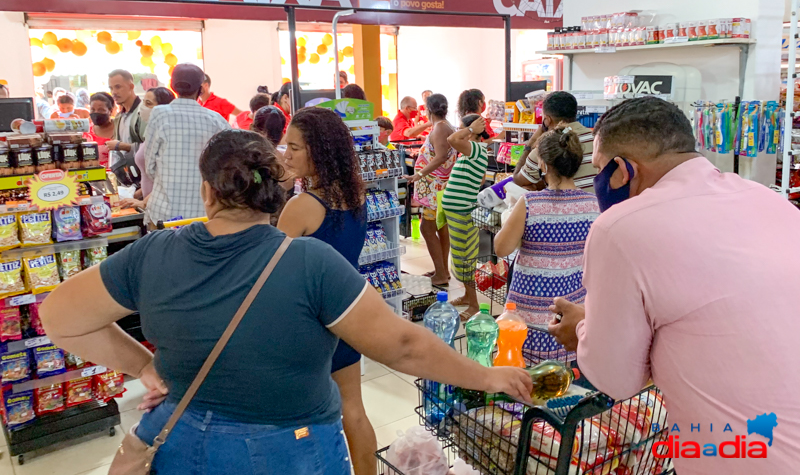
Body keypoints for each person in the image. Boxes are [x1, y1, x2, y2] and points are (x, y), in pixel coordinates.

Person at [39, 130, 531, 475]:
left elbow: (59, 318)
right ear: (277, 194)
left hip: (180, 438)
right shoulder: (308, 263)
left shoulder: (155, 250)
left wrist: (146, 368)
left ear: (208, 191)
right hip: (291, 450)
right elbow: (402, 345)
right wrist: (487, 376)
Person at [548, 97, 800, 475]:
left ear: (623, 170)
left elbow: (616, 379)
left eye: (600, 169)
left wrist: (583, 328)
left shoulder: (621, 227)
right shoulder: (772, 201)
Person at [276, 107, 374, 475]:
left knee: (303, 419)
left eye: (295, 148)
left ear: (318, 150)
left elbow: (273, 270)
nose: (286, 155)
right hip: (348, 313)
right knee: (353, 408)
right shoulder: (355, 197)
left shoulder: (302, 206)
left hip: (308, 323)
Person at [495, 126, 599, 360]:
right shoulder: (594, 205)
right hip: (571, 311)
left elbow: (501, 248)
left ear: (543, 164)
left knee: (524, 375)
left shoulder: (530, 203)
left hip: (528, 312)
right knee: (564, 378)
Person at [145, 64, 229, 226]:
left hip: (164, 212)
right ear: (201, 89)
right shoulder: (217, 120)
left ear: (172, 86)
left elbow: (150, 167)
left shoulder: (159, 114)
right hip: (204, 214)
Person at [441, 114, 490, 319]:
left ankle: (474, 305)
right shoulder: (471, 152)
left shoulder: (476, 149)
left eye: (462, 129)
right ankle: (467, 297)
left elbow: (452, 139)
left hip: (462, 214)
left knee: (465, 260)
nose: (458, 133)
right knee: (460, 258)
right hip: (456, 213)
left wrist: (471, 129)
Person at [405, 94, 456, 286]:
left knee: (427, 228)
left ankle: (441, 273)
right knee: (441, 228)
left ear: (428, 110)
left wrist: (419, 173)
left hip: (435, 189)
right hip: (438, 188)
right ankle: (442, 270)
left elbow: (441, 156)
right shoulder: (444, 126)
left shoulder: (441, 128)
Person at [513, 91, 596, 192]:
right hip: (600, 205)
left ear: (547, 120)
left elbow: (518, 180)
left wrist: (530, 144)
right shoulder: (597, 139)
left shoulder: (544, 148)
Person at [122, 87, 176, 211]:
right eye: (143, 102)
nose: (143, 107)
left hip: (161, 205)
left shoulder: (166, 135)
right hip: (150, 204)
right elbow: (150, 177)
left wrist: (144, 202)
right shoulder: (151, 133)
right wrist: (136, 195)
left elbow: (166, 179)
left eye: (149, 104)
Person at [107, 69, 146, 174]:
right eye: (111, 88)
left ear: (131, 87)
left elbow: (151, 147)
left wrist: (122, 146)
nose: (114, 92)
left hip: (144, 177)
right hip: (125, 177)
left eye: (118, 87)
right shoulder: (119, 116)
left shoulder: (144, 112)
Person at [85, 92, 116, 167]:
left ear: (110, 111)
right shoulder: (86, 131)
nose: (96, 113)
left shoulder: (120, 129)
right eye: (92, 110)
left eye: (101, 110)